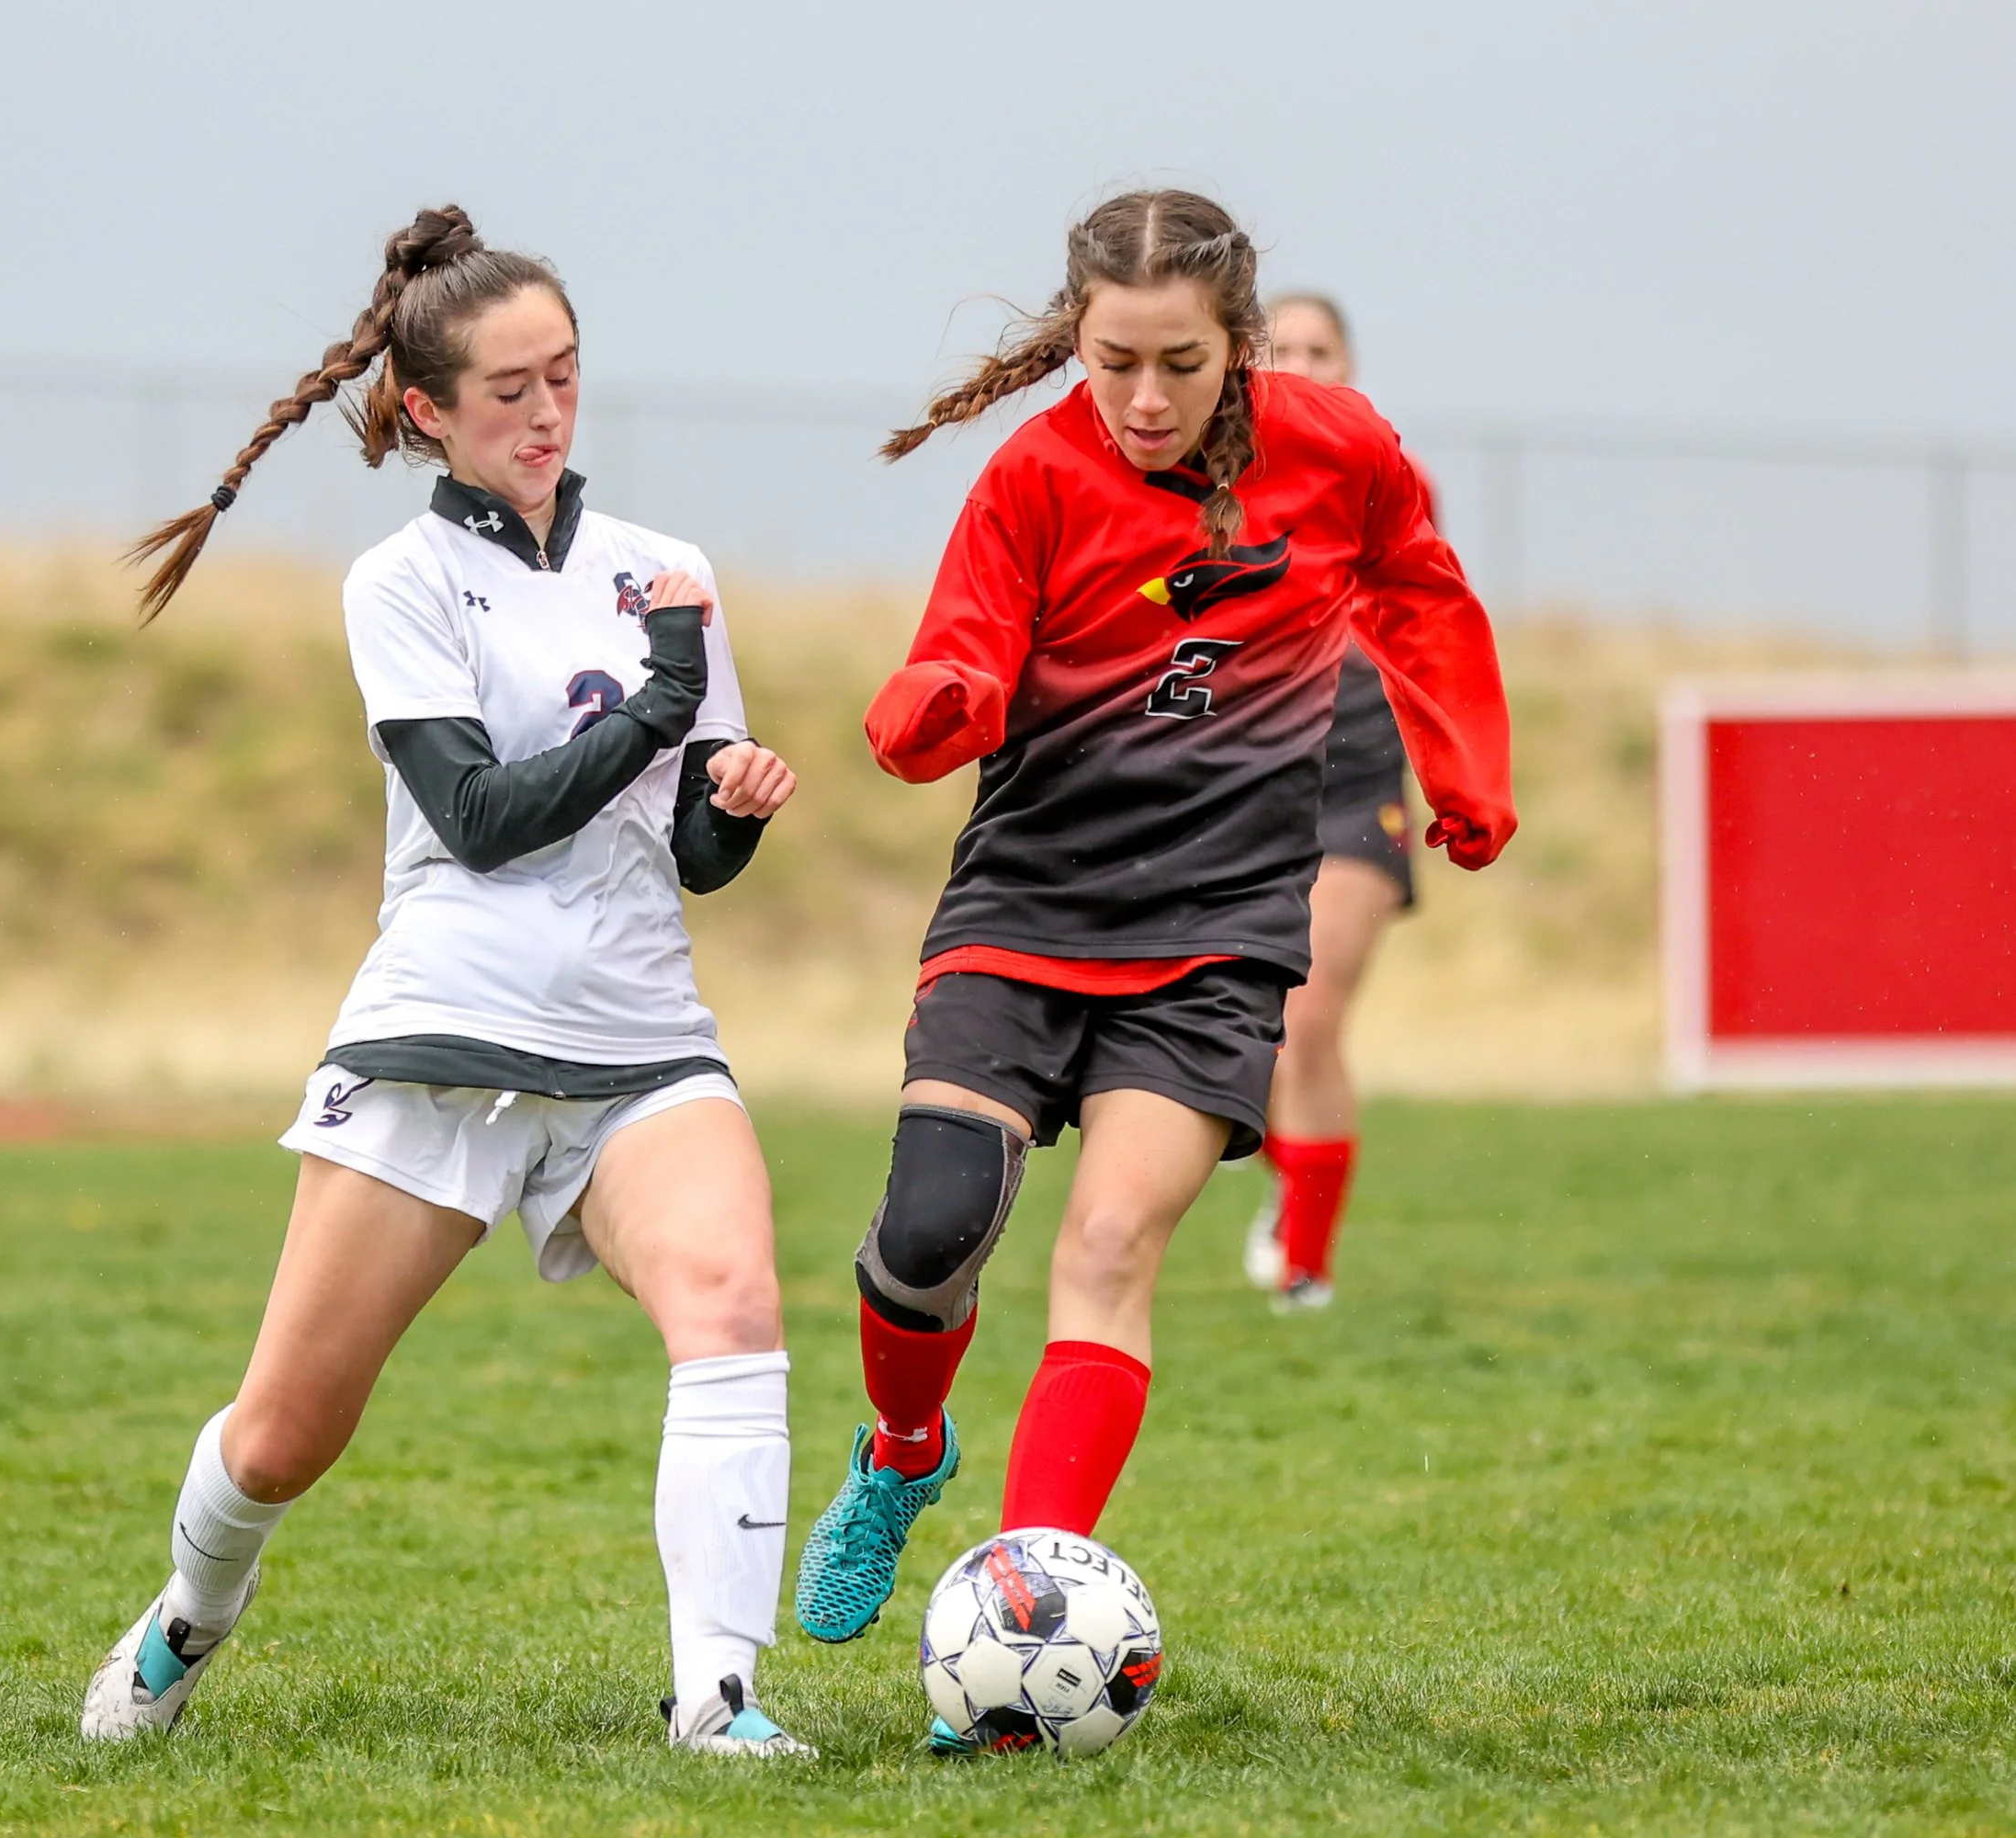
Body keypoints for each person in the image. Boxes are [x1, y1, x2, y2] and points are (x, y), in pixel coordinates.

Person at [78, 205, 812, 1758]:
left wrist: (726, 794)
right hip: (445, 1037)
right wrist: (660, 710)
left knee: (734, 1299)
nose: (547, 413)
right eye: (508, 391)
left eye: (565, 377)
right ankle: (182, 1624)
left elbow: (683, 851)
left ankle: (721, 1701)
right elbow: (477, 820)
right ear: (427, 410)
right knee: (285, 1435)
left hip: (640, 1037)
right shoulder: (398, 584)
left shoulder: (663, 572)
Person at [787, 193, 1516, 1735]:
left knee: (1110, 1249)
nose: (1142, 399)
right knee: (932, 1231)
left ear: (1238, 345)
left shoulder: (1343, 450)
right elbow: (965, 648)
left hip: (1218, 931)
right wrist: (943, 700)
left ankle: (1013, 1611)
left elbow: (1424, 591)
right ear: (1079, 340)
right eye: (1112, 360)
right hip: (1028, 906)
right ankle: (904, 1454)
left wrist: (1463, 765)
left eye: (1178, 364)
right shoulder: (1035, 475)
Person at [1241, 293, 1436, 1311]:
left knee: (1311, 1019)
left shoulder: (1390, 479)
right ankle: (1281, 1162)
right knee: (1251, 1023)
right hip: (1239, 778)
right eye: (1280, 348)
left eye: (1320, 349)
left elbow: (1425, 623)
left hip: (1359, 775)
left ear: (1350, 363)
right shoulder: (1205, 478)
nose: (1301, 364)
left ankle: (1305, 1264)